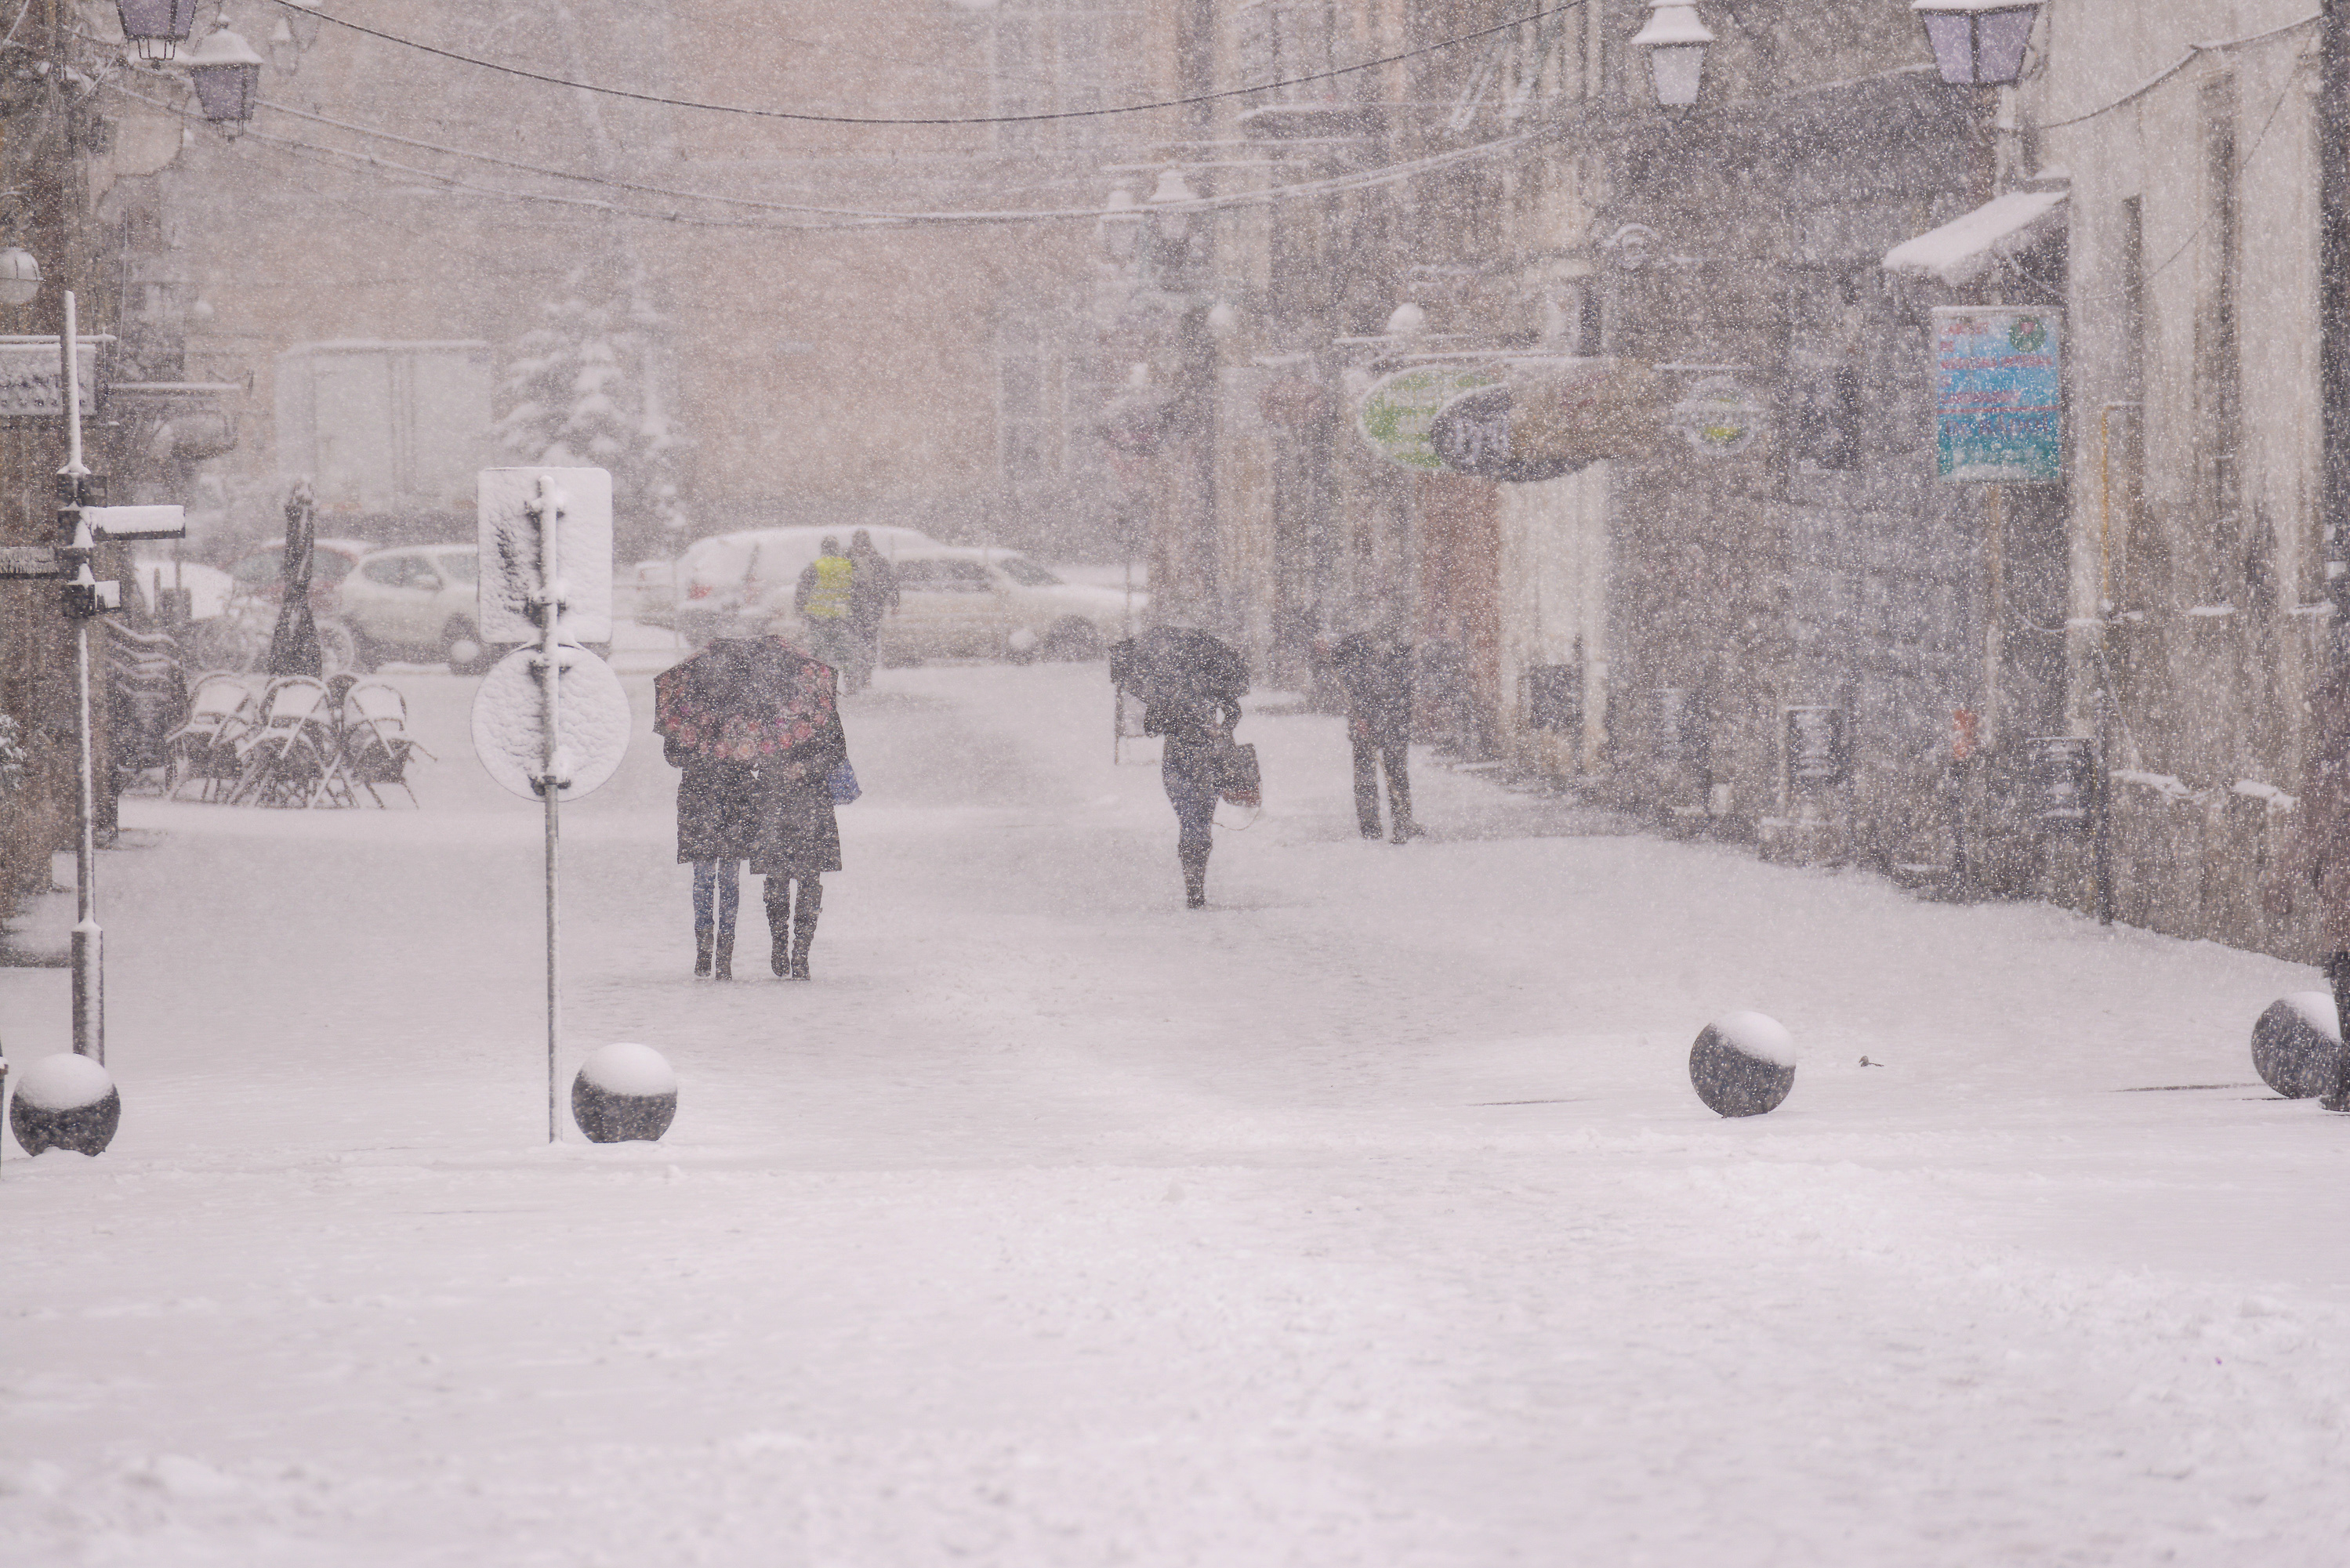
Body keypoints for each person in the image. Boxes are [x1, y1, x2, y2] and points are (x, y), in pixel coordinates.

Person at [655, 635, 850, 981]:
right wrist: (714, 755)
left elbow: (834, 751)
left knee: (806, 879)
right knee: (764, 880)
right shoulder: (726, 711)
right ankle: (754, 945)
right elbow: (678, 754)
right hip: (756, 800)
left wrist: (803, 768)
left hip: (801, 802)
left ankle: (798, 952)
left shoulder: (807, 707)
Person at [1112, 626, 1249, 909]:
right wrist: (1215, 727)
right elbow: (1233, 711)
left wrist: (1196, 724)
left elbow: (1151, 728)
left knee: (1194, 821)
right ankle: (1195, 885)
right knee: (1197, 821)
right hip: (1195, 758)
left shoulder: (1171, 686)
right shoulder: (1204, 682)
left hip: (1190, 759)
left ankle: (1194, 886)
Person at [2272, 665, 2350, 1108]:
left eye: (2328, 705)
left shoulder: (2332, 765)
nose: (2322, 715)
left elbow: (2308, 829)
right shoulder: (2330, 762)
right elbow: (2308, 828)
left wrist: (2283, 879)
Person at [1330, 621, 1418, 842]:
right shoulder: (1357, 651)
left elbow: (1405, 692)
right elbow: (1348, 680)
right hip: (1370, 724)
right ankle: (1371, 827)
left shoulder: (1400, 655)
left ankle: (1401, 823)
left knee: (1395, 775)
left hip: (1393, 723)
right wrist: (1359, 716)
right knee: (1366, 779)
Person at [793, 537, 858, 675]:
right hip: (841, 617)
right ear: (837, 549)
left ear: (823, 550)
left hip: (817, 618)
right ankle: (851, 678)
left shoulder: (815, 566)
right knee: (844, 652)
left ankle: (818, 677)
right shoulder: (847, 566)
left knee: (818, 653)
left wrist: (799, 609)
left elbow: (802, 590)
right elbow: (857, 591)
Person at [844, 529, 899, 693]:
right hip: (855, 610)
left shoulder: (876, 561)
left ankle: (864, 675)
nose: (861, 549)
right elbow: (891, 582)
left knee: (866, 643)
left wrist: (894, 602)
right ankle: (854, 677)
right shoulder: (848, 560)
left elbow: (891, 582)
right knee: (855, 644)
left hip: (868, 609)